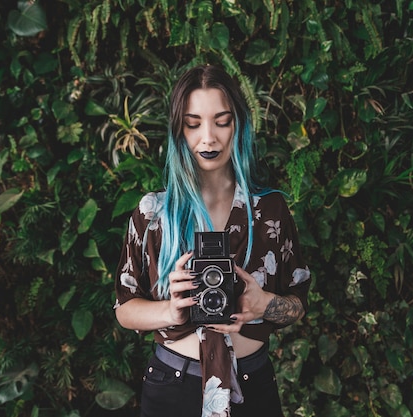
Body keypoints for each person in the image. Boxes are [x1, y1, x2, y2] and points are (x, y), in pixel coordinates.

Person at [114, 64, 311, 417]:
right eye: (193, 123)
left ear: (239, 124)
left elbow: (299, 302)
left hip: (253, 384)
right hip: (174, 384)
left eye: (222, 121)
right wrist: (170, 310)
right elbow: (125, 308)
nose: (209, 138)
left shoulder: (270, 211)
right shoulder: (153, 215)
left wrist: (264, 305)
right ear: (179, 130)